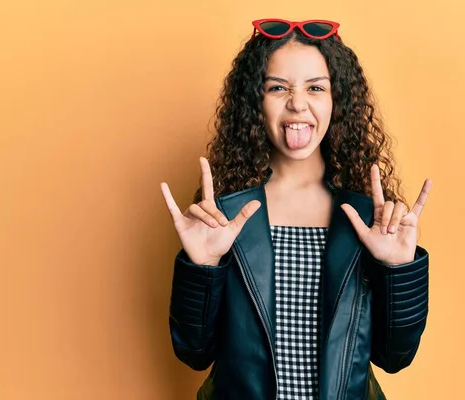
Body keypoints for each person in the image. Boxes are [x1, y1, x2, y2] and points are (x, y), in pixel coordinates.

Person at [161, 18, 432, 400]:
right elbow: (193, 353)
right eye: (277, 88)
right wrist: (202, 269)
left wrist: (399, 270)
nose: (297, 103)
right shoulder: (224, 215)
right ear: (255, 101)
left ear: (337, 100)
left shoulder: (370, 217)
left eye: (316, 88)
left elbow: (395, 357)